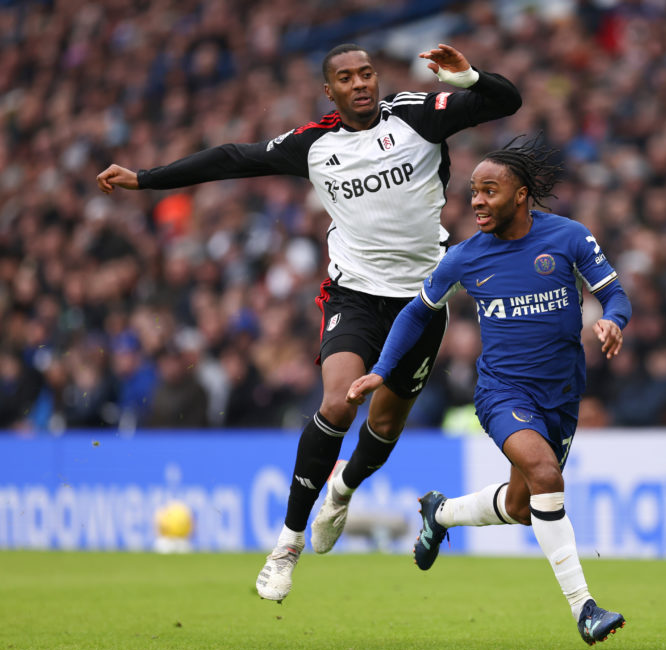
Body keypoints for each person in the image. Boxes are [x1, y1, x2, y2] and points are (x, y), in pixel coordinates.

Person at [97, 43, 521, 601]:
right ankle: (286, 546)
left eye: (367, 73)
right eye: (347, 78)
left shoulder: (417, 115)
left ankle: (342, 489)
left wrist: (466, 75)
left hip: (421, 302)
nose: (361, 84)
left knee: (385, 427)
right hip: (354, 296)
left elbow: (505, 100)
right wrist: (146, 179)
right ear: (331, 91)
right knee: (338, 402)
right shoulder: (314, 145)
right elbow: (232, 157)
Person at [347, 137, 632, 645]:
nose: (476, 201)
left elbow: (613, 292)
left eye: (489, 191)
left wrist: (612, 320)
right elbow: (417, 312)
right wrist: (384, 369)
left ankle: (442, 512)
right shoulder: (464, 258)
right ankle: (584, 609)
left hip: (563, 395)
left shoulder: (568, 238)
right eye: (473, 192)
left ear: (521, 195)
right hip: (504, 393)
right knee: (545, 473)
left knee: (526, 507)